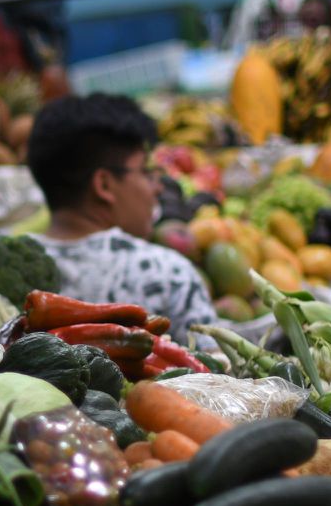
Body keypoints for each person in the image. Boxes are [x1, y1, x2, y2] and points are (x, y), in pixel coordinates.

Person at [23, 93, 219, 341]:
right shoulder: (169, 274)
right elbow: (217, 372)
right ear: (103, 185)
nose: (157, 187)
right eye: (146, 171)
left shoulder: (4, 280)